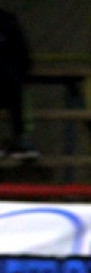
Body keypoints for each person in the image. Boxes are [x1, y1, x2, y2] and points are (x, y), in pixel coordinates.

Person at [0, 9, 38, 161]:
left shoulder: (7, 21)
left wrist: (11, 73)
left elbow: (23, 58)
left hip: (6, 86)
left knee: (17, 87)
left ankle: (21, 138)